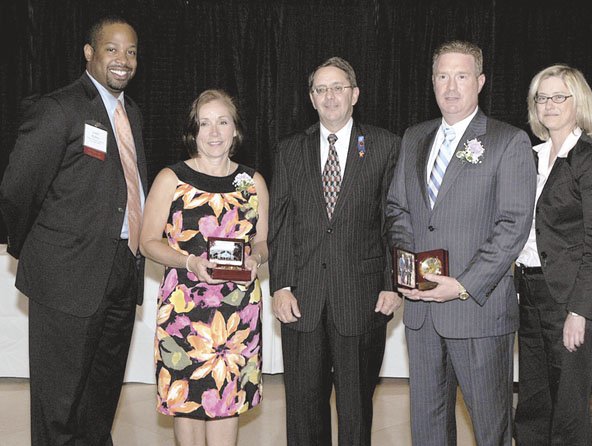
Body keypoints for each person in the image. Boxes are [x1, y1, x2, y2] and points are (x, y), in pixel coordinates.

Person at [0, 15, 145, 444]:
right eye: (112, 49)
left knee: (101, 398)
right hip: (66, 276)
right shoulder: (59, 108)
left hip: (122, 269)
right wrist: (40, 248)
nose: (123, 59)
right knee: (58, 405)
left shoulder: (131, 113)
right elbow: (17, 187)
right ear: (89, 53)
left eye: (132, 51)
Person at [385, 40, 536, 445]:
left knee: (491, 428)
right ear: (432, 82)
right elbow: (398, 209)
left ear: (480, 82)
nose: (451, 86)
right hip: (422, 313)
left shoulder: (508, 141)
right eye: (442, 76)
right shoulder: (414, 137)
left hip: (477, 311)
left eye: (462, 76)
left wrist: (464, 283)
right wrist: (408, 268)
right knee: (428, 428)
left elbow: (513, 225)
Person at [268, 56, 401, 446]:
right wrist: (280, 286)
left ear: (354, 94)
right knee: (304, 408)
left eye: (338, 88)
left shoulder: (383, 145)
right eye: (321, 89)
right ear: (311, 98)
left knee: (356, 408)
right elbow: (280, 224)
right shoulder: (290, 150)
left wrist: (393, 284)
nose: (330, 96)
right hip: (301, 301)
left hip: (361, 298)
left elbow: (393, 221)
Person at [139, 89, 268, 446]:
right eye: (205, 123)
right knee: (187, 400)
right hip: (184, 310)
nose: (214, 132)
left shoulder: (253, 182)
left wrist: (256, 258)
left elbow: (262, 242)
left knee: (226, 402)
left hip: (237, 315)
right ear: (193, 132)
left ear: (235, 130)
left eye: (222, 122)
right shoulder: (171, 178)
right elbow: (147, 241)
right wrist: (189, 261)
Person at [514, 64, 592, 445]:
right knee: (532, 404)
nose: (548, 104)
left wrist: (580, 310)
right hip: (529, 292)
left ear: (579, 102)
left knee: (567, 411)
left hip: (572, 298)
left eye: (559, 96)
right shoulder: (531, 157)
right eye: (541, 97)